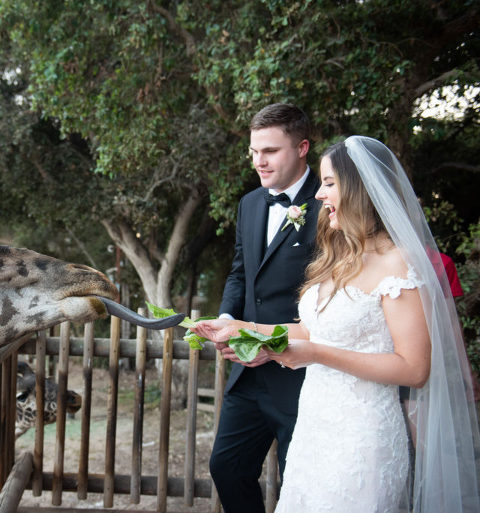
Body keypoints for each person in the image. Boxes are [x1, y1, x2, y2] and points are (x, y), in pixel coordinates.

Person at [193, 136, 480, 512]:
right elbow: (315, 332)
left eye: (329, 184)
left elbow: (414, 368)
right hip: (316, 427)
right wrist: (243, 328)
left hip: (363, 438)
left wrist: (314, 354)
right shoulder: (340, 257)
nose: (318, 195)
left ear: (359, 190)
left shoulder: (400, 264)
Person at [206, 103, 321, 513]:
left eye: (270, 150)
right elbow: (240, 273)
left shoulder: (329, 203)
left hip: (303, 373)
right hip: (247, 375)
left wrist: (261, 336)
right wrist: (225, 321)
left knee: (300, 481)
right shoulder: (250, 204)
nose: (259, 161)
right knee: (226, 467)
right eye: (254, 151)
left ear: (302, 147)